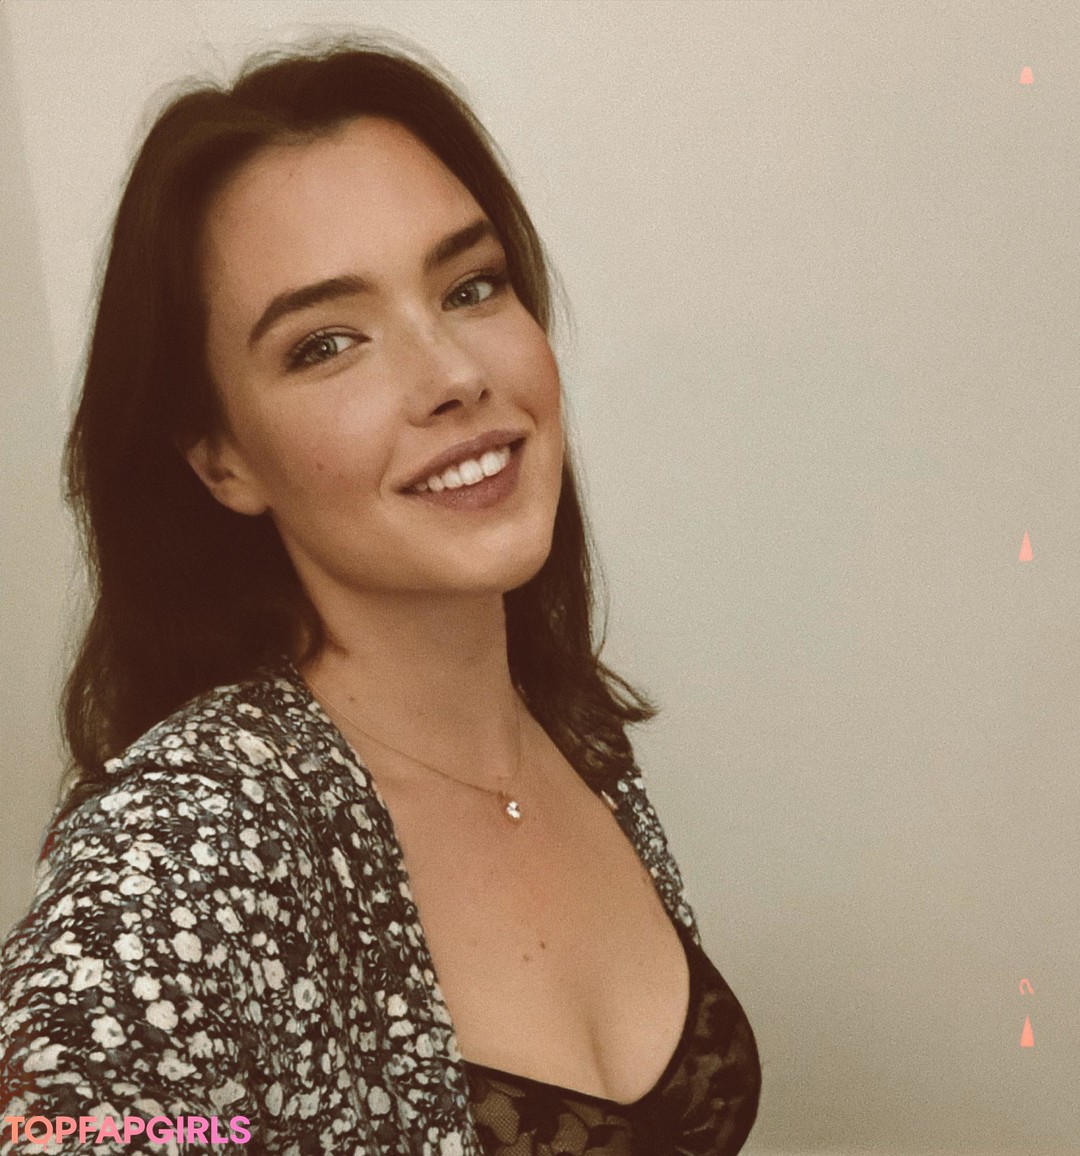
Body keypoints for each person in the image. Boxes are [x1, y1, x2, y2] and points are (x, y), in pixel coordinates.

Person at [0, 36, 761, 1156]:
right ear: (222, 459)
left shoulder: (567, 728)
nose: (455, 374)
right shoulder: (183, 849)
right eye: (326, 344)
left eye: (470, 286)